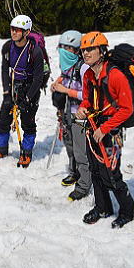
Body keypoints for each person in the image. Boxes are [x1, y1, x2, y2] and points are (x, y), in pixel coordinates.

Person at [75, 31, 134, 229]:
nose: (86, 53)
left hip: (111, 128)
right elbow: (86, 98)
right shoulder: (88, 75)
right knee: (94, 168)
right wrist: (82, 108)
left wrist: (106, 128)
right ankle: (103, 207)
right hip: (94, 125)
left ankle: (128, 212)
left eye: (91, 49)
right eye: (84, 49)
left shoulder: (115, 75)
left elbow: (127, 108)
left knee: (111, 172)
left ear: (102, 51)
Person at [0, 15, 44, 167]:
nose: (14, 32)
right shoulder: (7, 47)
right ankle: (1, 149)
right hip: (13, 87)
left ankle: (26, 152)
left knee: (28, 123)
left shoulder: (35, 51)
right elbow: (5, 70)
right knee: (3, 120)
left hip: (30, 88)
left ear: (26, 32)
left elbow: (38, 78)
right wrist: (6, 93)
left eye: (18, 30)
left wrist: (28, 99)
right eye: (12, 29)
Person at [50, 30, 91, 201]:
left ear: (77, 50)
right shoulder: (67, 65)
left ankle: (83, 185)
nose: (65, 51)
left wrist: (65, 90)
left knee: (81, 151)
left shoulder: (84, 68)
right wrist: (58, 82)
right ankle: (74, 173)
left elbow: (88, 96)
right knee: (70, 144)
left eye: (69, 48)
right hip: (67, 111)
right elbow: (66, 77)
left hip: (81, 115)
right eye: (63, 47)